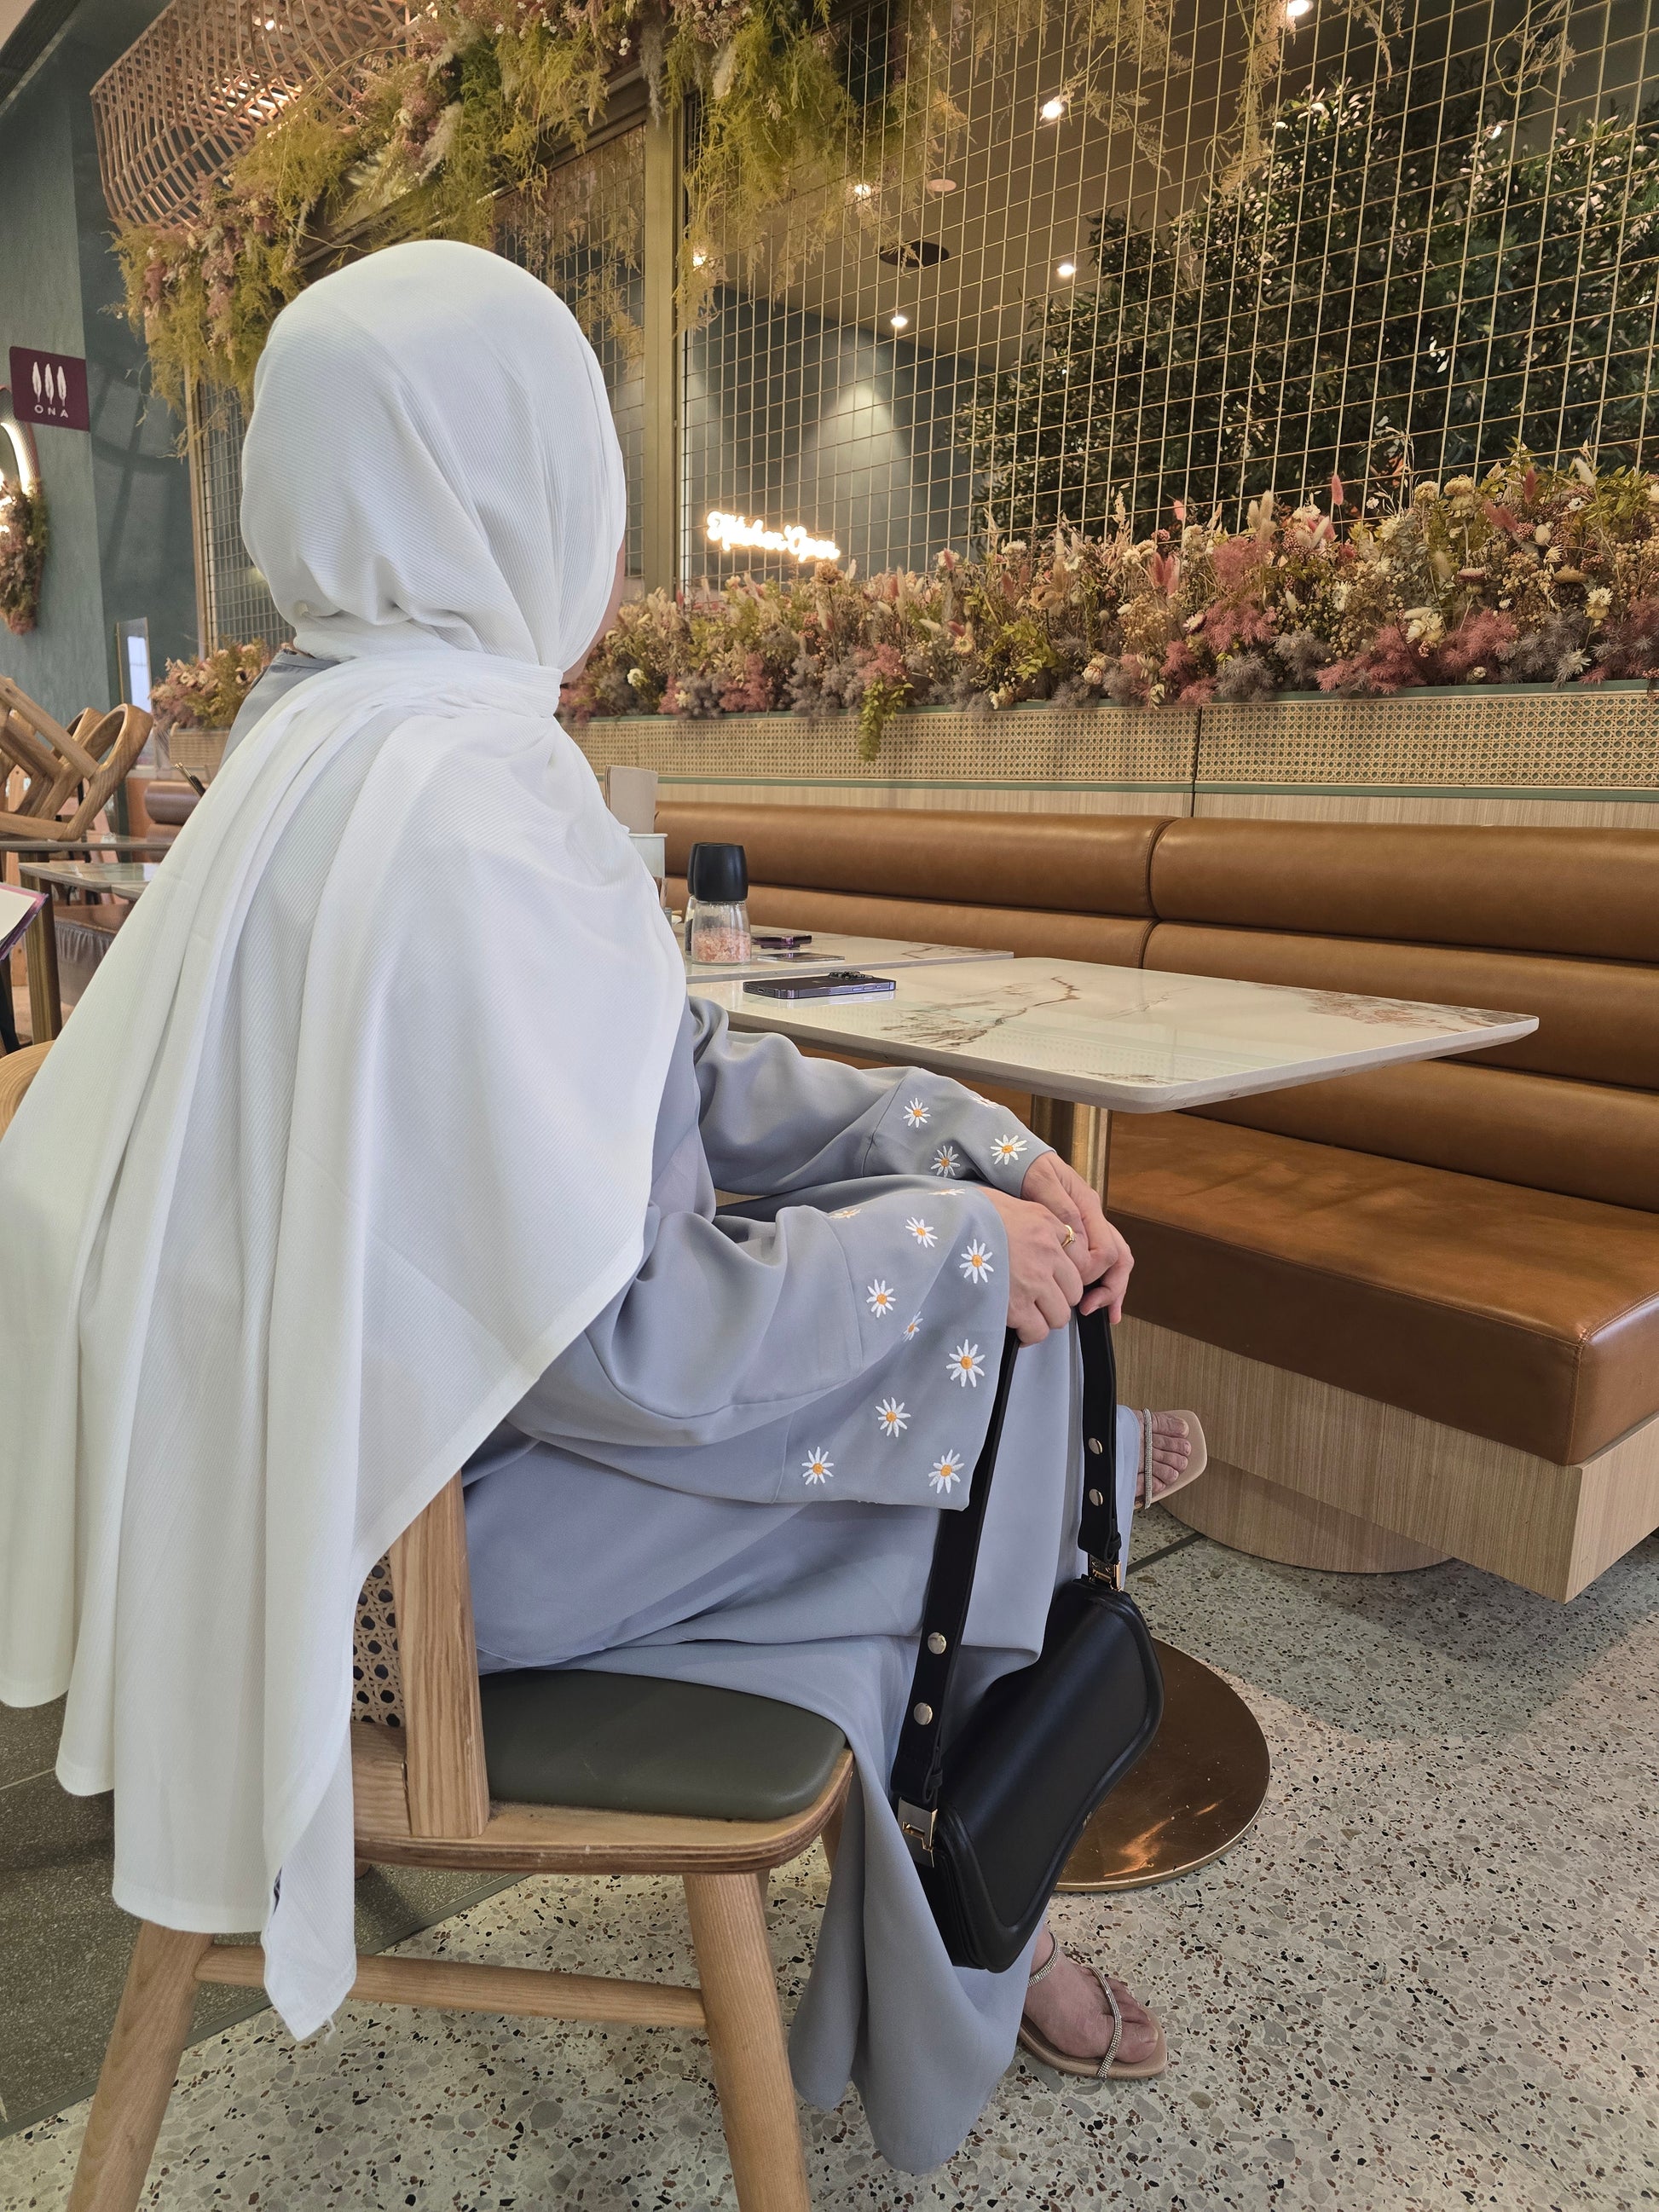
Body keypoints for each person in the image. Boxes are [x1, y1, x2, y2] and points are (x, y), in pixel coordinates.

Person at [0, 240, 1204, 2180]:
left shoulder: (305, 750)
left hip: (331, 1508)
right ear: (507, 484)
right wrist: (968, 1255)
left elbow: (660, 1080)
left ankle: (987, 1850)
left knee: (981, 1386)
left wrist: (947, 1133)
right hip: (438, 1574)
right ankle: (977, 1953)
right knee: (1010, 1398)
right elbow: (634, 1341)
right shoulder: (476, 800)